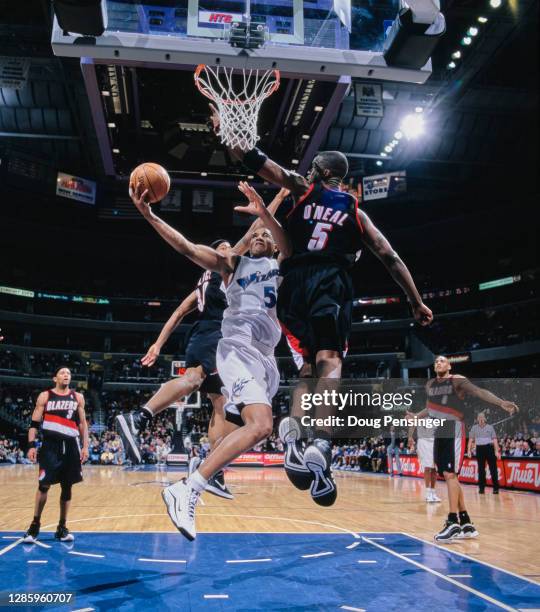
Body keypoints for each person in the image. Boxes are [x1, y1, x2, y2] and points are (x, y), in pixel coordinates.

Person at [208, 104, 433, 504]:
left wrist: (230, 135)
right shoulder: (354, 211)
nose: (308, 171)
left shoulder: (302, 189)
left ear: (325, 173)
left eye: (314, 168)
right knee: (330, 361)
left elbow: (263, 164)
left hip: (291, 285)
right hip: (330, 282)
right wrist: (415, 302)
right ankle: (322, 442)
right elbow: (390, 256)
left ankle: (294, 429)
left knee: (308, 366)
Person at [130, 181, 291, 541]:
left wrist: (273, 204)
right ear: (249, 242)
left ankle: (206, 473)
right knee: (260, 424)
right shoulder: (231, 264)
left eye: (267, 232)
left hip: (266, 359)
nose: (261, 234)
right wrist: (149, 214)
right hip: (234, 350)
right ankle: (190, 487)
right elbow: (186, 247)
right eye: (257, 234)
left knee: (248, 425)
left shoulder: (282, 265)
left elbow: (282, 237)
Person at [408, 355, 518, 543]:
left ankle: (452, 522)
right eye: (435, 361)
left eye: (442, 361)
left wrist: (500, 403)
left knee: (450, 474)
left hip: (454, 428)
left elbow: (479, 392)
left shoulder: (456, 380)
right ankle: (465, 522)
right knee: (449, 475)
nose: (438, 363)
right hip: (439, 430)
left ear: (449, 365)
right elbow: (431, 408)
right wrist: (417, 415)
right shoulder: (430, 385)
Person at [23, 367, 88, 543]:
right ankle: (34, 526)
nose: (66, 375)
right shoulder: (45, 396)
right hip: (50, 446)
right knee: (44, 486)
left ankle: (62, 528)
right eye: (62, 373)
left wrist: (85, 447)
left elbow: (82, 424)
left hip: (71, 446)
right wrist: (31, 446)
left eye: (69, 373)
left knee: (67, 487)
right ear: (55, 378)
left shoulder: (78, 397)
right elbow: (34, 424)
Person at [468, 412, 500, 494]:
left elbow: (495, 440)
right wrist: (469, 450)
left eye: (482, 417)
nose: (481, 419)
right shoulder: (474, 428)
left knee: (493, 469)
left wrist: (496, 451)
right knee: (481, 470)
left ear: (485, 418)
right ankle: (481, 488)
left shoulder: (490, 427)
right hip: (479, 449)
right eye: (479, 417)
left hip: (489, 448)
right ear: (477, 419)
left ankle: (496, 488)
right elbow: (471, 440)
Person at [409, 423, 441, 503]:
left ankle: (433, 493)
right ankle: (427, 493)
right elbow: (412, 424)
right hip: (424, 442)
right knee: (427, 467)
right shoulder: (420, 414)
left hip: (435, 442)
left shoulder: (437, 415)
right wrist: (410, 436)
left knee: (434, 468)